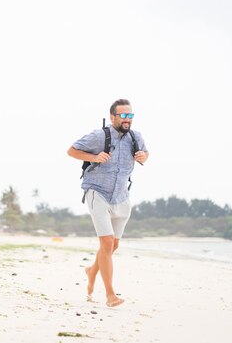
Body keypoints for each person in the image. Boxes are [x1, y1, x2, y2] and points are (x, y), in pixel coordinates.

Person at [67, 99, 148, 307]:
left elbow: (145, 155)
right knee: (107, 243)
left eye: (130, 115)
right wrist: (94, 157)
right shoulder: (99, 136)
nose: (127, 119)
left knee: (114, 245)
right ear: (112, 117)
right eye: (123, 115)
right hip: (98, 192)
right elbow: (72, 151)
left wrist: (143, 156)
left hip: (121, 196)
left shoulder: (135, 137)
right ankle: (110, 296)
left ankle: (92, 270)